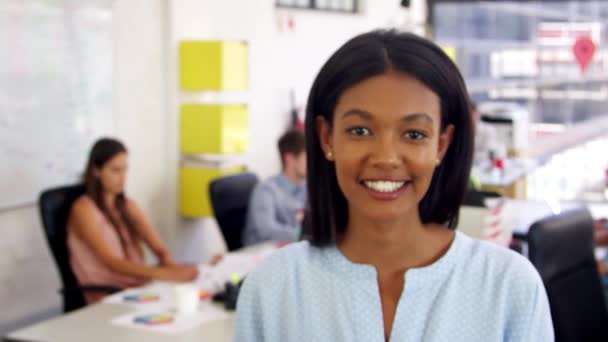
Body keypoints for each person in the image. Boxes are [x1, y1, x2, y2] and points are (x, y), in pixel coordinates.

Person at [234, 30, 553, 341]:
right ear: (326, 137)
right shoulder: (273, 288)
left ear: (441, 145)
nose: (386, 158)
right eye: (359, 131)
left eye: (414, 134)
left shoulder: (508, 286)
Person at [67, 138, 198, 303]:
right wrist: (165, 274)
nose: (122, 177)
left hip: (137, 287)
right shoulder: (83, 210)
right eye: (115, 170)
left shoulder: (127, 206)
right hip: (108, 294)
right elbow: (112, 262)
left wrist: (169, 262)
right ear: (96, 171)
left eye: (125, 170)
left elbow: (158, 248)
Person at [241, 130, 307, 246]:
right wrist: (307, 235)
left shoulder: (306, 187)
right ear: (289, 159)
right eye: (307, 156)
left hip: (293, 249)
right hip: (261, 253)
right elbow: (268, 231)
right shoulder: (266, 190)